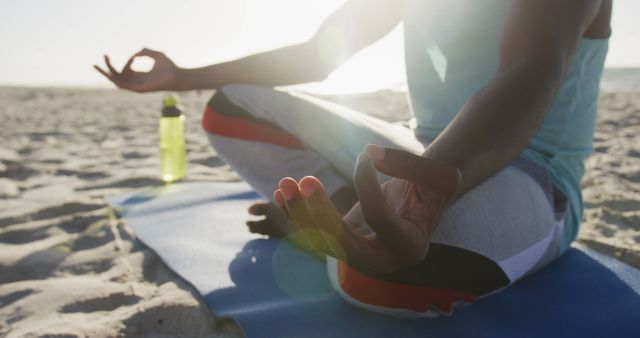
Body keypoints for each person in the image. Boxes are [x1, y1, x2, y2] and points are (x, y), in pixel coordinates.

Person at [96, 0, 612, 317]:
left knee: (380, 277)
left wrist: (428, 193)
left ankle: (347, 222)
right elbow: (318, 54)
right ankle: (347, 218)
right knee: (232, 105)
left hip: (529, 172)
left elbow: (529, 68)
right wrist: (180, 77)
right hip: (416, 146)